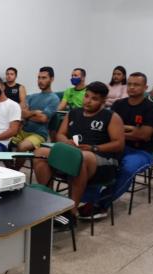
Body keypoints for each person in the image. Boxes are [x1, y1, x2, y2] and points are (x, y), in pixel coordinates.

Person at [34, 82, 125, 219]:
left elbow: (119, 144)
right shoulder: (73, 113)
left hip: (101, 161)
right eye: (86, 96)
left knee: (80, 157)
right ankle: (48, 201)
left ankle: (71, 211)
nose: (88, 101)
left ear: (103, 101)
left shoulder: (111, 117)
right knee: (40, 153)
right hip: (74, 154)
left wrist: (94, 148)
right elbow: (60, 134)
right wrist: (66, 142)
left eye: (94, 99)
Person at [99, 72, 153, 212]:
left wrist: (119, 130)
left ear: (145, 87)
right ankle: (87, 198)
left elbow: (144, 135)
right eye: (130, 84)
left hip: (141, 152)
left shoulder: (151, 108)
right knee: (95, 160)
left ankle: (101, 203)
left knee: (127, 168)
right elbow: (107, 127)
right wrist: (129, 129)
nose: (132, 87)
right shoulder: (119, 104)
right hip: (117, 146)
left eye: (136, 85)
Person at [12, 66, 60, 169]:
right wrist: (34, 112)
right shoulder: (32, 96)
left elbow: (43, 119)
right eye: (39, 78)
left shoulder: (54, 99)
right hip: (22, 131)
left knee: (22, 146)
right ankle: (7, 169)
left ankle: (14, 172)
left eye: (44, 78)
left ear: (51, 79)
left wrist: (27, 115)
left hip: (38, 134)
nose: (40, 81)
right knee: (5, 141)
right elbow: (20, 113)